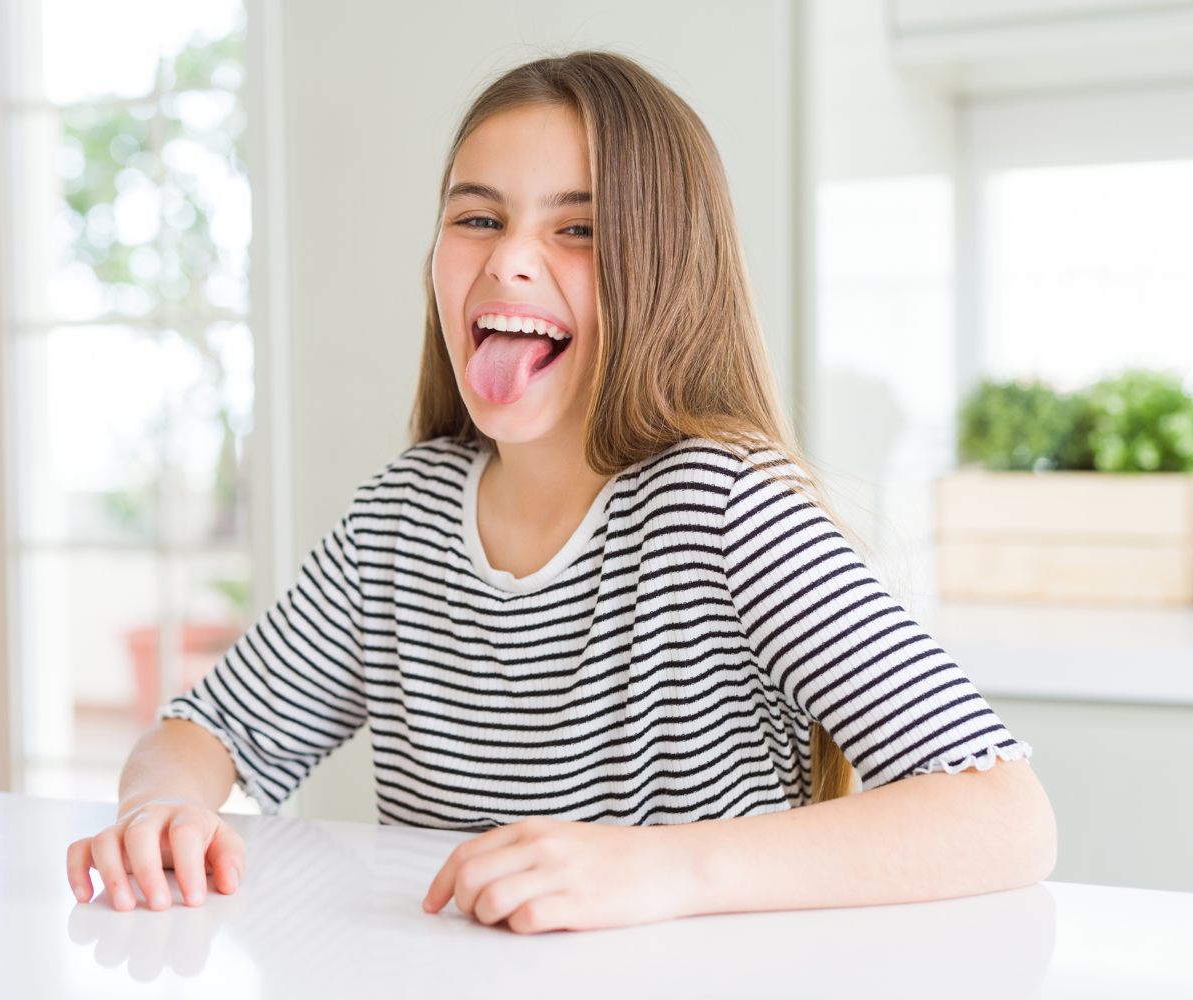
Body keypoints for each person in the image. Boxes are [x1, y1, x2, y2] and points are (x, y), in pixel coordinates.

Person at [66, 49, 1057, 934]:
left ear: (665, 270)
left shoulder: (722, 505)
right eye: (476, 217)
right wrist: (160, 810)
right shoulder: (400, 520)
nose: (509, 257)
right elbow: (198, 734)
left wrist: (661, 868)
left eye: (577, 227)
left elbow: (1003, 812)